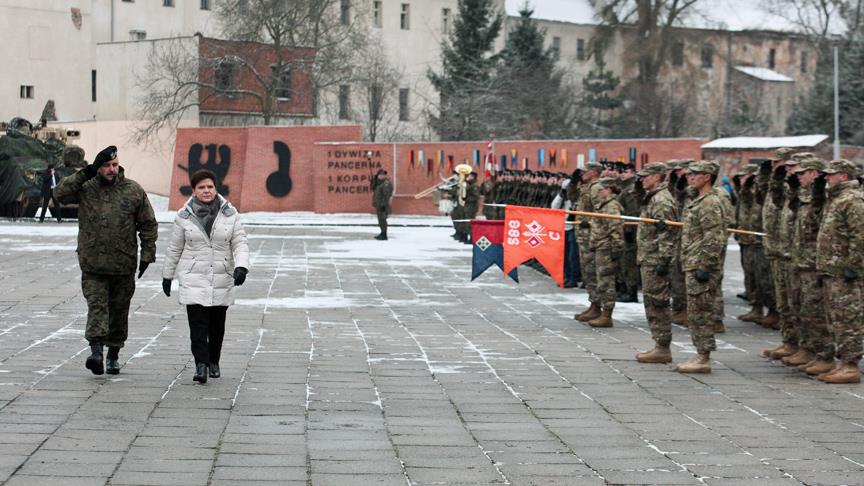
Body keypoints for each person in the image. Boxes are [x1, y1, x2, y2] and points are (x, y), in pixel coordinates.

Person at [54, 145, 158, 375]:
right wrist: (86, 172)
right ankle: (96, 352)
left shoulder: (133, 190)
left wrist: (148, 254)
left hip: (123, 263)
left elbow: (148, 223)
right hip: (93, 263)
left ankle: (113, 354)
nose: (112, 169)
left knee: (119, 311)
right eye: (106, 166)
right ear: (98, 168)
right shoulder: (87, 187)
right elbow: (59, 193)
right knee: (97, 306)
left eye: (114, 165)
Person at [162, 169, 250, 384]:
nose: (206, 191)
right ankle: (200, 364)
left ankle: (213, 361)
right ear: (194, 190)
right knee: (198, 325)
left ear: (216, 188)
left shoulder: (230, 214)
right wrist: (167, 275)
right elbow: (175, 248)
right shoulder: (184, 217)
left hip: (222, 275)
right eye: (201, 187)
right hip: (194, 276)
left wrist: (241, 267)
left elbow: (240, 242)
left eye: (210, 187)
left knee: (217, 325)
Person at [815, 159, 864, 384]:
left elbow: (859, 236)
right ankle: (843, 362)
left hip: (846, 272)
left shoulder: (852, 199)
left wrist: (853, 266)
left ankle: (851, 366)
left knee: (848, 318)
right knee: (835, 318)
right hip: (833, 269)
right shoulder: (836, 199)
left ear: (843, 176)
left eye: (830, 174)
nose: (826, 178)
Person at [677, 160, 726, 374]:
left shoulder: (709, 202)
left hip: (701, 264)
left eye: (695, 174)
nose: (690, 177)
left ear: (707, 176)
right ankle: (700, 352)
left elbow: (714, 236)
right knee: (696, 311)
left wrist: (706, 265)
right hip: (693, 261)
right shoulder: (698, 200)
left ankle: (704, 357)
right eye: (689, 174)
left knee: (702, 312)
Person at [634, 163, 679, 363]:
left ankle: (662, 347)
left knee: (657, 303)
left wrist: (664, 260)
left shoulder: (661, 200)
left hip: (655, 260)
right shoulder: (652, 197)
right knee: (651, 303)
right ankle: (659, 344)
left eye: (646, 176)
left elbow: (667, 233)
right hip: (649, 257)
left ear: (657, 177)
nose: (642, 180)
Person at [585, 177, 624, 328]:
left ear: (609, 190)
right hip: (600, 246)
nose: (599, 192)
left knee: (606, 282)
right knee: (602, 281)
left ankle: (607, 314)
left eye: (601, 189)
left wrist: (616, 248)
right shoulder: (604, 205)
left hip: (606, 247)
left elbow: (616, 229)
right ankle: (602, 311)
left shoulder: (612, 206)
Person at [371, 169, 393, 240]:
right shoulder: (379, 183)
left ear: (385, 176)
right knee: (380, 220)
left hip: (383, 206)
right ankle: (382, 233)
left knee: (383, 220)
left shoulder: (386, 184)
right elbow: (373, 188)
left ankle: (384, 235)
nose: (380, 176)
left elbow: (387, 196)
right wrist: (373, 180)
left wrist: (383, 205)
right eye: (379, 175)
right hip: (379, 205)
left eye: (382, 175)